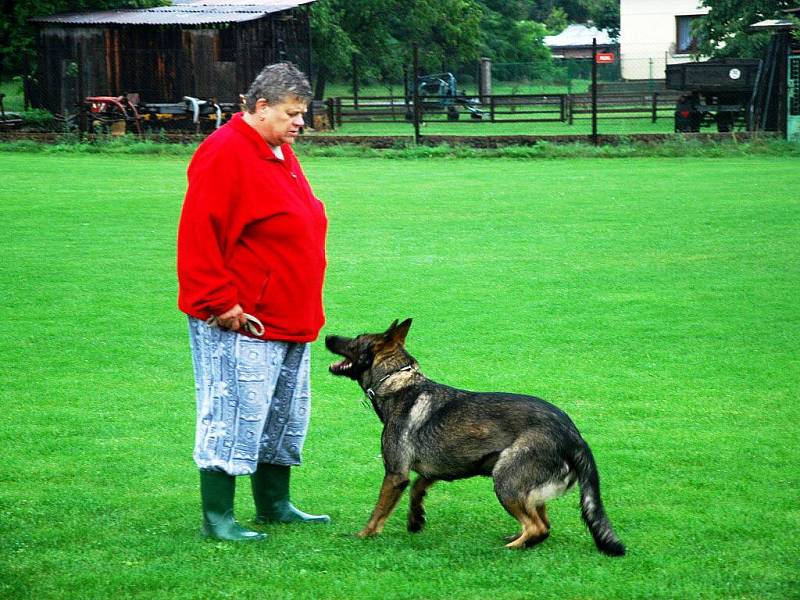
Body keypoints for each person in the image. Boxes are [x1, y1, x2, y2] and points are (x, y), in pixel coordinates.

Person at [177, 62, 330, 541]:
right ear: (260, 107)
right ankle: (219, 518)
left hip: (290, 314)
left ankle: (274, 504)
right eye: (292, 113)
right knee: (231, 411)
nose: (300, 122)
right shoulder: (224, 153)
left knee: (282, 414)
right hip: (242, 318)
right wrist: (221, 302)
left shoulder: (277, 150)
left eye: (302, 113)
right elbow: (200, 236)